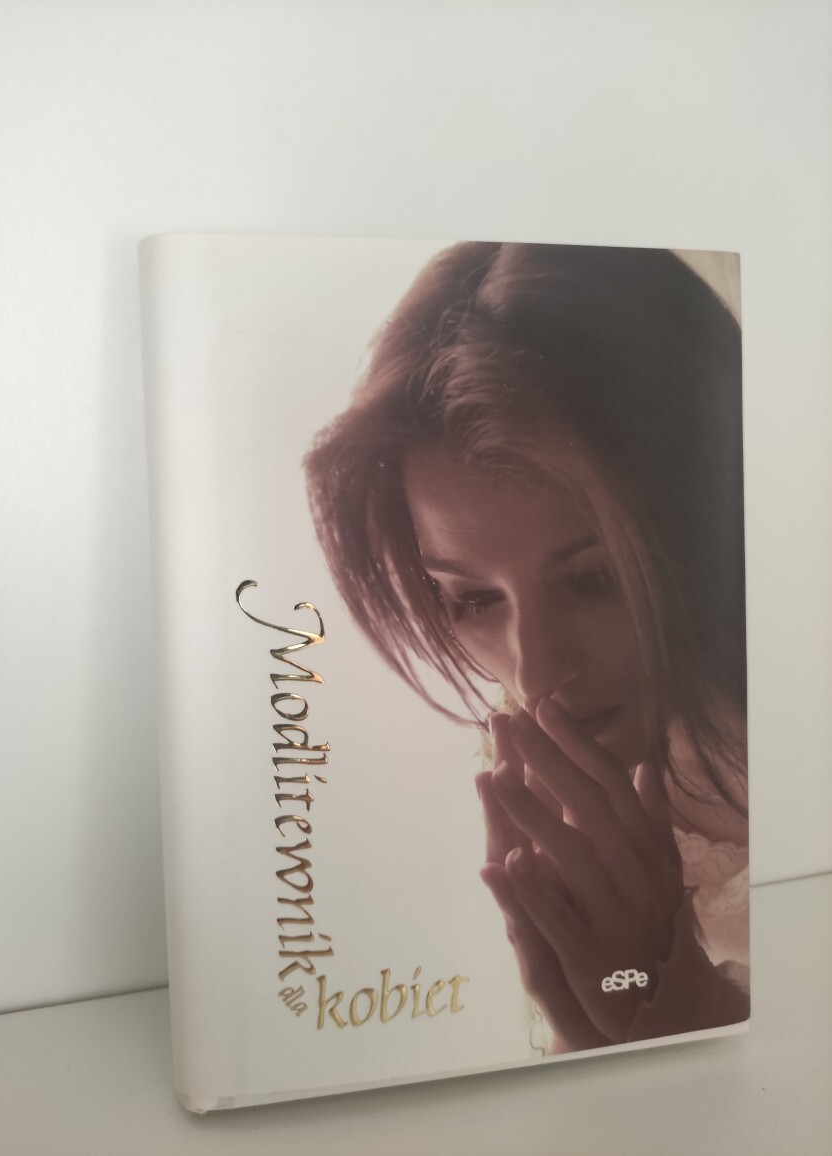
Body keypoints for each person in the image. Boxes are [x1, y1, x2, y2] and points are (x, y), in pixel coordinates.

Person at [304, 241, 749, 1053]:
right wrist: (597, 1026)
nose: (536, 674)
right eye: (473, 600)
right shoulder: (533, 769)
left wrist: (678, 1007)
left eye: (596, 579)